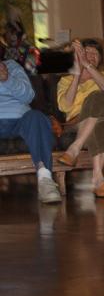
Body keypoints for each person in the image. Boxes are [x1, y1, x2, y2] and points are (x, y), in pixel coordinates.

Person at [57, 38, 104, 198]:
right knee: (98, 121)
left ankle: (75, 147)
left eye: (94, 53)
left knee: (97, 96)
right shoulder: (65, 81)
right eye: (86, 52)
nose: (90, 56)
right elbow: (65, 107)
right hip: (78, 123)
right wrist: (76, 75)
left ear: (100, 59)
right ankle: (97, 178)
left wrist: (88, 66)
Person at [0, 43, 61, 203]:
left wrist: (7, 79)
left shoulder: (11, 66)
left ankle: (45, 179)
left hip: (21, 119)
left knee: (37, 117)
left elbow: (28, 96)